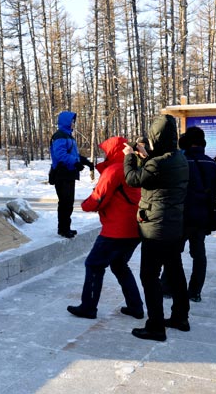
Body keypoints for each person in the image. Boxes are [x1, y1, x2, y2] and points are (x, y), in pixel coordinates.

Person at [123, 114, 190, 342]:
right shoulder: (178, 159)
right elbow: (156, 173)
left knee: (149, 276)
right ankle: (181, 317)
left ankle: (155, 326)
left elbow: (133, 179)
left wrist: (130, 157)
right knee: (175, 272)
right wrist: (145, 155)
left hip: (155, 229)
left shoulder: (157, 163)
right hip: (173, 227)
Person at [67, 137, 144, 320]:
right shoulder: (132, 168)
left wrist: (85, 205)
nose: (104, 154)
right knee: (119, 265)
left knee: (94, 265)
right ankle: (136, 307)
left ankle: (88, 307)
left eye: (106, 151)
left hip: (116, 230)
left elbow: (99, 197)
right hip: (135, 228)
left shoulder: (114, 170)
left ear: (113, 152)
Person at [161, 127, 216, 303]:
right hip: (203, 216)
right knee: (199, 254)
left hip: (182, 215)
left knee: (173, 252)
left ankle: (167, 286)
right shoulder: (212, 164)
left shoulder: (181, 161)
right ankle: (195, 291)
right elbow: (214, 191)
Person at [50, 111, 93, 238]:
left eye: (74, 121)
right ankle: (62, 229)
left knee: (69, 202)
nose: (74, 123)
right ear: (67, 122)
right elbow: (60, 154)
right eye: (72, 121)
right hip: (61, 173)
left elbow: (73, 154)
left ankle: (66, 227)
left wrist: (85, 161)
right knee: (64, 202)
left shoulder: (69, 136)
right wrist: (75, 163)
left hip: (69, 173)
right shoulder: (59, 136)